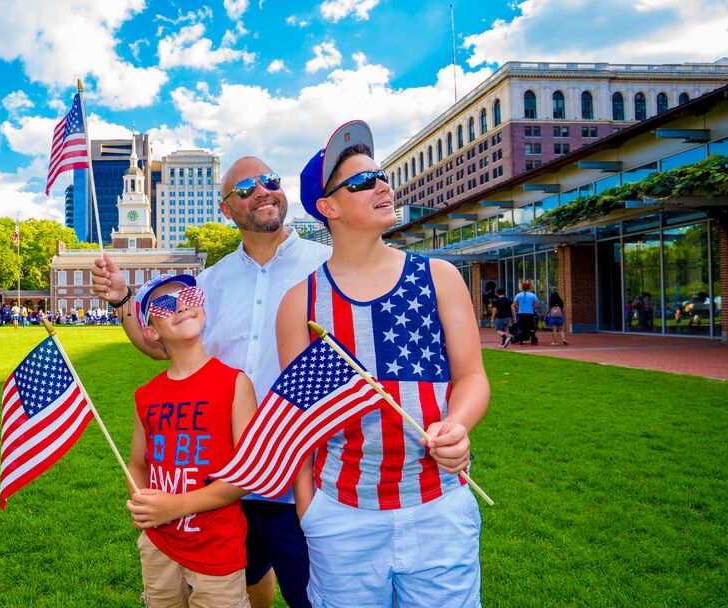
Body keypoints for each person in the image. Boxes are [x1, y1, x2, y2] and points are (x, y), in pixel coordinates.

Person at [96, 155, 330, 608]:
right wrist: (126, 299)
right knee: (241, 578)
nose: (261, 191)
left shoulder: (326, 266)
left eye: (269, 181)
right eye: (245, 189)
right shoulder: (207, 284)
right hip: (219, 478)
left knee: (311, 592)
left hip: (302, 472)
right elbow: (167, 345)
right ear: (226, 209)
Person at [276, 120, 487, 606]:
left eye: (382, 174)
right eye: (361, 181)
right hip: (342, 516)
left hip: (439, 507)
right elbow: (297, 422)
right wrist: (312, 511)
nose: (383, 185)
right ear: (328, 208)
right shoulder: (299, 303)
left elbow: (472, 376)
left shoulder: (441, 276)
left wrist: (456, 426)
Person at [126, 274, 257, 608]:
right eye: (165, 305)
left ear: (204, 311)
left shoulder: (234, 383)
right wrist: (144, 504)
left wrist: (175, 506)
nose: (181, 305)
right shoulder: (146, 395)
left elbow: (247, 475)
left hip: (217, 547)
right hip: (160, 545)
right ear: (151, 331)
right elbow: (138, 464)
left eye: (189, 296)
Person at [512, 281, 539, 346]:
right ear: (529, 287)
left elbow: (514, 304)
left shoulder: (518, 295)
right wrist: (532, 308)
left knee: (521, 327)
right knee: (531, 327)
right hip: (530, 314)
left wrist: (519, 308)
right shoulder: (533, 295)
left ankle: (520, 342)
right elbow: (537, 305)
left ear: (522, 288)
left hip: (521, 313)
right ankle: (533, 342)